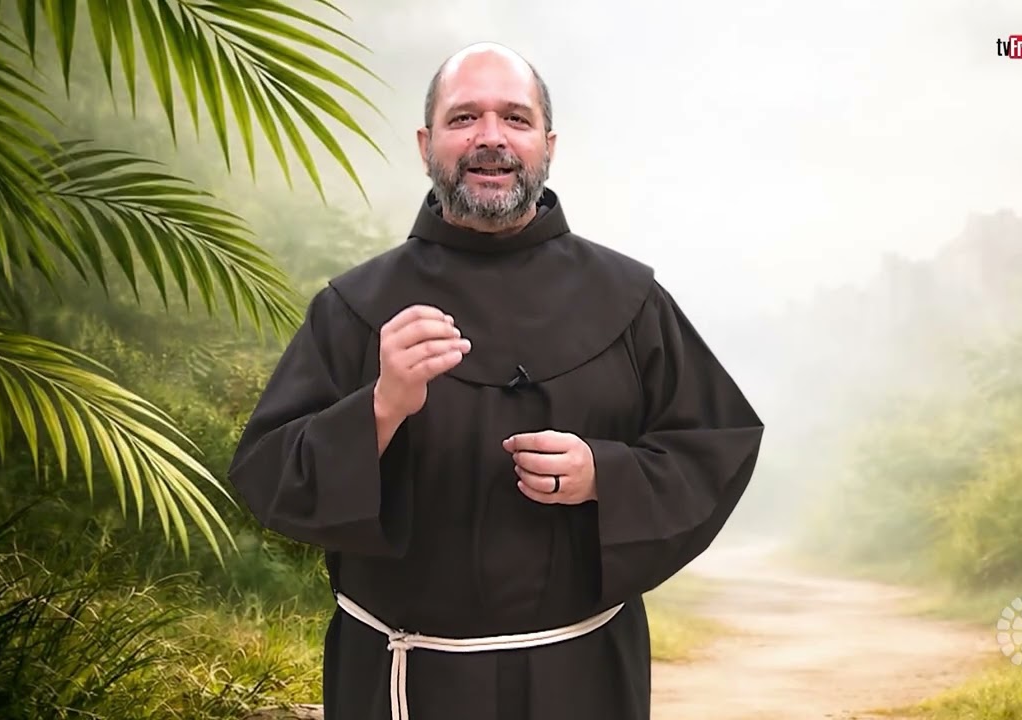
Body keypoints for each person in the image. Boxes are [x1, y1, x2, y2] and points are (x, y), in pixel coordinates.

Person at [227, 41, 764, 720]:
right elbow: (267, 473)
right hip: (405, 682)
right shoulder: (356, 306)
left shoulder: (630, 300)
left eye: (514, 118)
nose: (490, 138)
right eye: (463, 119)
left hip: (581, 678)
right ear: (427, 143)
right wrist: (382, 407)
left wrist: (607, 474)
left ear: (548, 143)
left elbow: (717, 446)